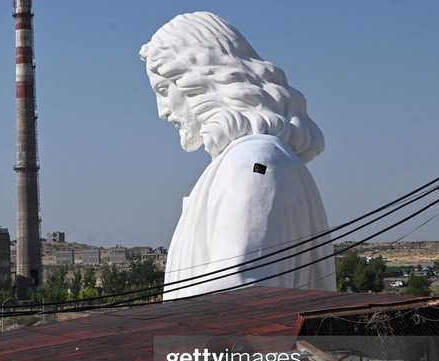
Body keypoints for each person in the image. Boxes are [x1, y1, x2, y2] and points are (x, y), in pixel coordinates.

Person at [140, 12, 336, 300]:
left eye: (163, 89)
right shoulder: (249, 160)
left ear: (202, 75)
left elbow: (239, 301)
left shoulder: (254, 165)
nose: (162, 111)